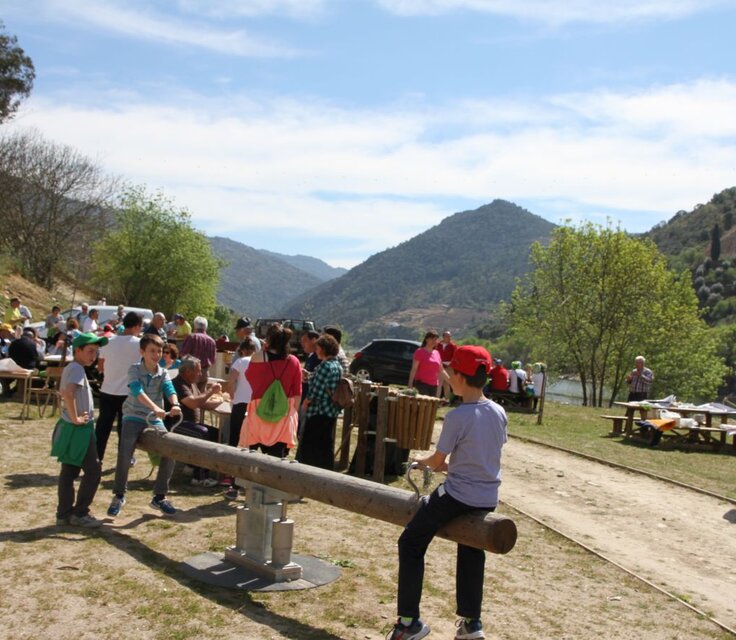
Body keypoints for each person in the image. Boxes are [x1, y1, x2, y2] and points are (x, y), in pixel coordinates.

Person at [389, 345, 507, 640]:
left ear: (461, 378)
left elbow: (437, 460)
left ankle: (408, 622)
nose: (447, 376)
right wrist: (448, 467)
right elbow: (479, 456)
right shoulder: (498, 412)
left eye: (451, 372)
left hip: (457, 496)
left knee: (410, 542)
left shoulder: (458, 416)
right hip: (487, 498)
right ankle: (472, 624)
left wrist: (420, 461)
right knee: (471, 549)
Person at [107, 333, 182, 517]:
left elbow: (169, 389)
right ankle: (119, 495)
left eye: (159, 351)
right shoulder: (134, 369)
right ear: (142, 352)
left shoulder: (163, 372)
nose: (156, 355)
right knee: (125, 452)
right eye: (152, 351)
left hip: (154, 419)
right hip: (133, 416)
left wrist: (175, 404)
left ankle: (160, 496)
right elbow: (137, 391)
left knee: (170, 450)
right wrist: (155, 407)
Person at [50, 332, 109, 528]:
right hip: (79, 429)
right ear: (77, 350)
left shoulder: (74, 368)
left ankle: (63, 515)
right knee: (93, 471)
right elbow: (68, 393)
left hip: (72, 427)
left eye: (96, 352)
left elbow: (65, 392)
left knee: (69, 471)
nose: (94, 356)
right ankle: (80, 513)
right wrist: (76, 418)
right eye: (90, 351)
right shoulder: (76, 368)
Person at [239, 322, 301, 458]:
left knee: (250, 456)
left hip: (258, 412)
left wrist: (264, 350)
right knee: (277, 460)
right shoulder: (294, 362)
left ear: (268, 340)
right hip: (283, 415)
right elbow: (297, 392)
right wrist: (292, 415)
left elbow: (250, 378)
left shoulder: (258, 357)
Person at [95, 312, 144, 462]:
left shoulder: (108, 341)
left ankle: (96, 458)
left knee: (103, 427)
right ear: (136, 326)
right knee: (125, 429)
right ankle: (125, 459)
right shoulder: (139, 344)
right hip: (128, 393)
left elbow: (100, 367)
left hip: (107, 390)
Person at [170, 356, 221, 488]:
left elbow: (201, 402)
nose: (200, 374)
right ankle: (200, 477)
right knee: (203, 433)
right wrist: (211, 391)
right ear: (188, 371)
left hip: (189, 423)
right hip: (177, 424)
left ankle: (192, 465)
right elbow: (193, 403)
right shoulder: (178, 384)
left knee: (217, 434)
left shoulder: (191, 384)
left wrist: (218, 402)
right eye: (198, 371)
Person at [297, 334, 343, 470]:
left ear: (323, 349)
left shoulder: (324, 366)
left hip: (318, 411)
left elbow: (315, 391)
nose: (316, 350)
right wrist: (309, 376)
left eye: (317, 348)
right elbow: (323, 382)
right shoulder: (336, 365)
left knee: (310, 447)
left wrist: (305, 402)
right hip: (330, 411)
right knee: (325, 445)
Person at [224, 338, 256, 499]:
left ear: (242, 351)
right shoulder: (259, 362)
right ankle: (249, 479)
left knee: (234, 440)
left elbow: (230, 382)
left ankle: (232, 480)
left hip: (240, 403)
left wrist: (232, 397)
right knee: (251, 442)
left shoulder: (240, 362)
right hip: (255, 404)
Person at [407, 330, 448, 398]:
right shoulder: (419, 352)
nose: (434, 341)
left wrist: (451, 381)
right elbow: (414, 369)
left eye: (436, 339)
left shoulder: (437, 353)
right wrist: (410, 384)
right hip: (422, 384)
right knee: (424, 402)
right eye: (432, 339)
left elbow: (442, 370)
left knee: (431, 404)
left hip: (434, 385)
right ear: (426, 339)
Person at [179, 316, 216, 385]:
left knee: (189, 391)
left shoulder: (192, 337)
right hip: (205, 373)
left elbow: (183, 354)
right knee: (202, 392)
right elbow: (213, 360)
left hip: (191, 372)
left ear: (195, 326)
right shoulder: (212, 341)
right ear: (206, 327)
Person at [435, 330, 457, 399]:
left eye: (450, 336)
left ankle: (447, 400)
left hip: (449, 367)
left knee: (446, 384)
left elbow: (455, 356)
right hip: (440, 366)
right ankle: (436, 399)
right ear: (443, 337)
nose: (449, 338)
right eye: (447, 336)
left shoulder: (453, 346)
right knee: (439, 383)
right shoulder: (438, 345)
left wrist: (451, 365)